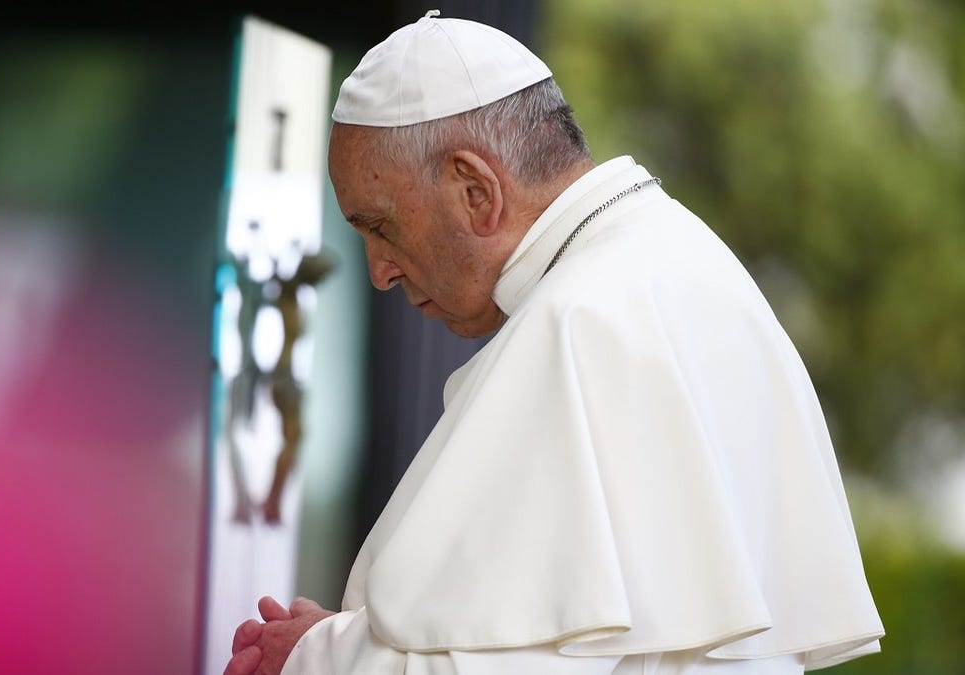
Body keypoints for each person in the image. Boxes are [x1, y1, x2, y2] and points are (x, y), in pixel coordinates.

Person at [224, 10, 884, 675]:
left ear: (476, 190)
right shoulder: (687, 263)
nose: (378, 270)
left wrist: (316, 657)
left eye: (382, 228)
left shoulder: (579, 322)